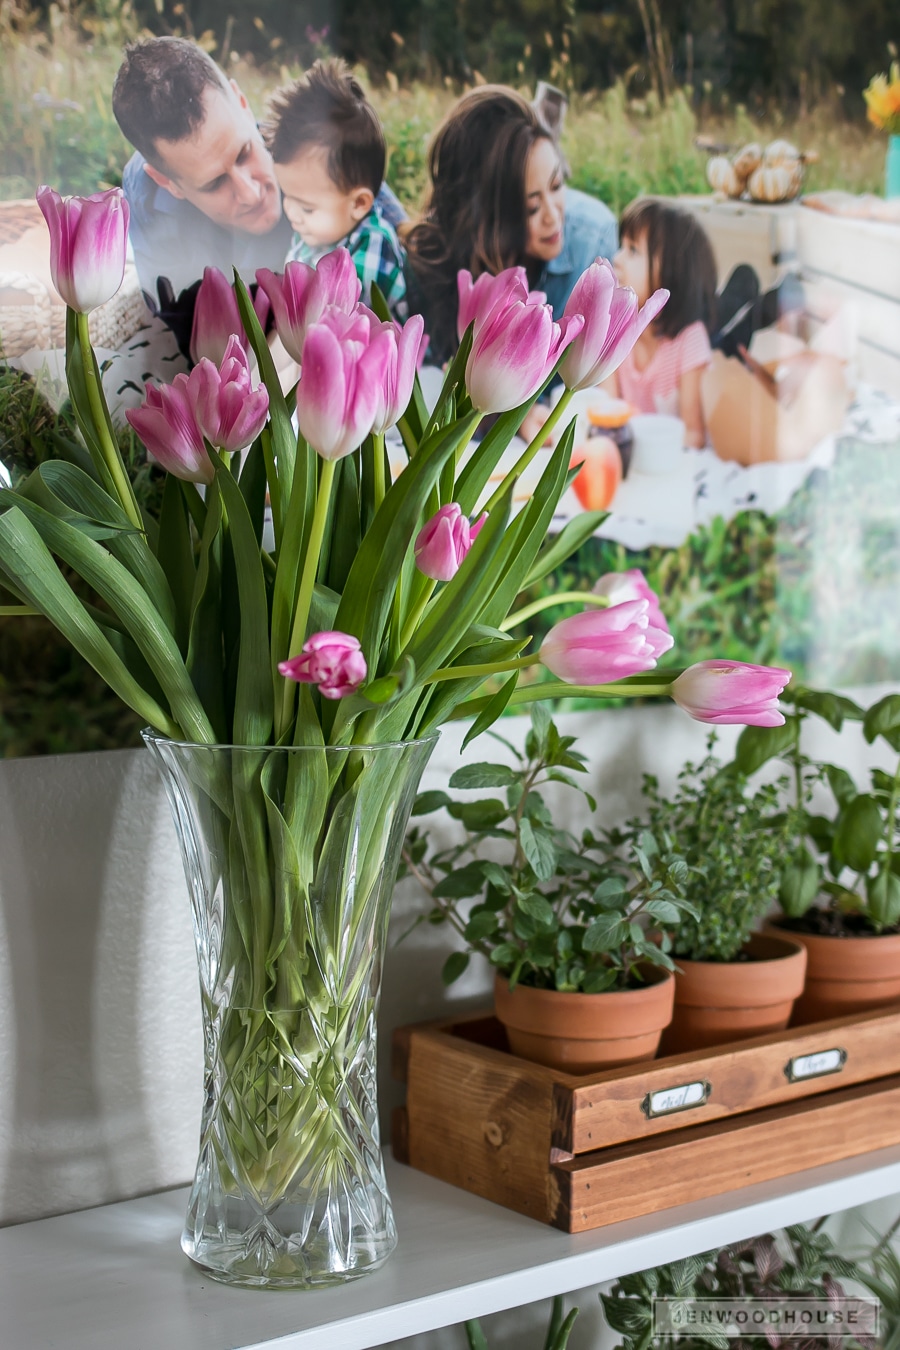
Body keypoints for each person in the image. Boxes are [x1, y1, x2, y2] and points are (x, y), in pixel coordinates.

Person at [111, 38, 404, 307]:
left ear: (243, 104)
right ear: (168, 182)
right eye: (214, 183)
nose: (251, 193)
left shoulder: (303, 153)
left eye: (244, 152)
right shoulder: (150, 206)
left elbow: (368, 196)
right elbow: (191, 331)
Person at [403, 85, 617, 370]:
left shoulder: (592, 244)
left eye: (556, 186)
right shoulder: (433, 266)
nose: (553, 217)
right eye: (531, 208)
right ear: (487, 220)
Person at [263, 59, 407, 319]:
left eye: (306, 207)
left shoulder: (374, 242)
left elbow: (342, 320)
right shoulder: (311, 234)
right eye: (288, 196)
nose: (292, 213)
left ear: (358, 203)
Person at [608, 199, 717, 449]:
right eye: (621, 246)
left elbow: (694, 436)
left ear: (670, 273)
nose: (617, 259)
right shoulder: (615, 329)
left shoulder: (690, 340)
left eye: (633, 250)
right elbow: (606, 411)